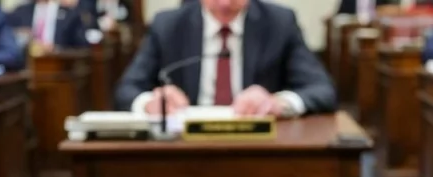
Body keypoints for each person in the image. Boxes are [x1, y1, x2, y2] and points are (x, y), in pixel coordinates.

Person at [114, 0, 336, 118]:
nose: (225, 3)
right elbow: (126, 90)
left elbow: (322, 89)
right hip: (185, 145)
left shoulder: (280, 22)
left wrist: (278, 103)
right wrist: (151, 103)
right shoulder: (168, 25)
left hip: (258, 145)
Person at [7, 0, 89, 49]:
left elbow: (82, 48)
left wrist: (56, 49)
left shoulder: (70, 15)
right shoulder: (20, 13)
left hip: (58, 65)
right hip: (28, 65)